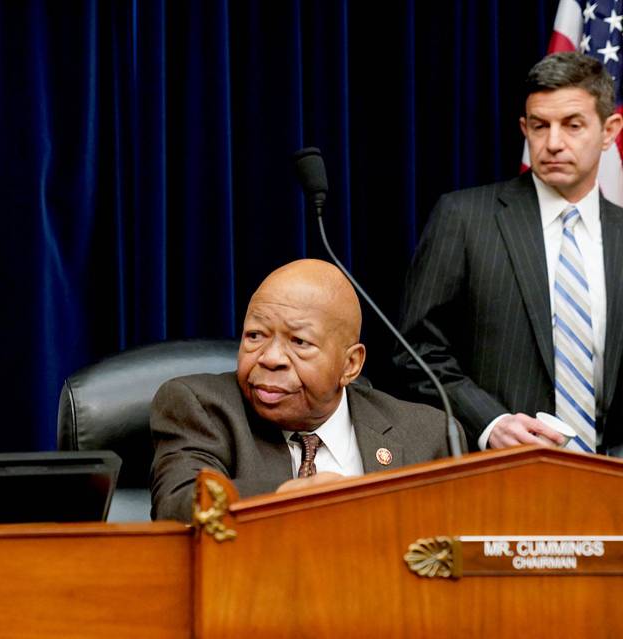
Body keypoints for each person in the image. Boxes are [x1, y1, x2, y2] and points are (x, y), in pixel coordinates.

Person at [396, 51, 623, 455]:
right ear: (525, 128)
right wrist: (490, 421)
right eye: (540, 126)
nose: (553, 143)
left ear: (609, 130)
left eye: (573, 125)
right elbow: (415, 353)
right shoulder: (464, 219)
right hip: (501, 479)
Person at [150, 259, 463, 523]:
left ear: (351, 365)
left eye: (299, 342)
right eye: (255, 335)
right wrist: (292, 497)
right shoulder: (203, 407)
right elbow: (178, 506)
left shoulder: (428, 434)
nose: (270, 358)